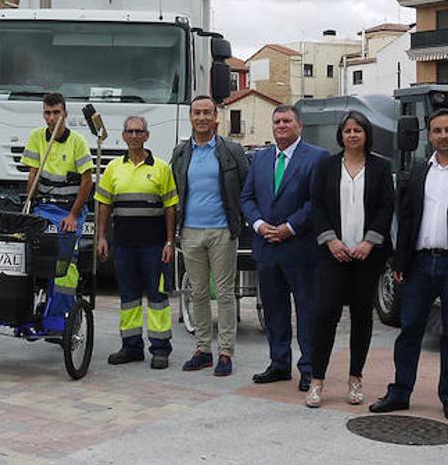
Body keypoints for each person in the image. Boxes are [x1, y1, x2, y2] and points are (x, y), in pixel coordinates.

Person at [370, 108, 448, 421]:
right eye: (437, 130)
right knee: (409, 330)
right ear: (430, 135)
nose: (443, 136)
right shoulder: (419, 172)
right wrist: (400, 261)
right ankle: (400, 392)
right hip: (421, 265)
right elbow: (408, 219)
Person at [305, 110, 394, 408]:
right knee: (325, 313)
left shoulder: (381, 167)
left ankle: (355, 378)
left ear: (366, 133)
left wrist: (370, 241)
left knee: (361, 316)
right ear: (340, 135)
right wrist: (331, 240)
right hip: (334, 253)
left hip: (367, 255)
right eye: (347, 131)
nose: (352, 135)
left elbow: (386, 207)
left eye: (358, 130)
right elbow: (317, 206)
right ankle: (317, 380)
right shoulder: (327, 167)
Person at [240, 104, 327, 392]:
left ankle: (309, 367)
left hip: (300, 249)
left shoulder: (316, 158)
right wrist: (259, 224)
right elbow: (247, 198)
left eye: (287, 121)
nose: (281, 126)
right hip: (267, 248)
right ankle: (279, 364)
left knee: (307, 311)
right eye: (276, 121)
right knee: (274, 311)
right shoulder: (261, 158)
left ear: (299, 125)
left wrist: (290, 227)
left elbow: (316, 202)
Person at [170, 95, 250, 377]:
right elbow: (174, 191)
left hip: (223, 231)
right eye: (197, 113)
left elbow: (245, 187)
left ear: (216, 117)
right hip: (190, 231)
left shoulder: (231, 150)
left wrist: (242, 222)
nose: (202, 117)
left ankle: (226, 352)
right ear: (191, 117)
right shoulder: (181, 153)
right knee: (199, 293)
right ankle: (203, 349)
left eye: (207, 112)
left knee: (225, 294)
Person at [95, 116, 179, 368]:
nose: (134, 136)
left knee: (157, 298)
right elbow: (103, 204)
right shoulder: (113, 168)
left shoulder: (162, 167)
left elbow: (171, 208)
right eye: (129, 131)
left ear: (147, 135)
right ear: (123, 136)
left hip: (154, 246)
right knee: (129, 298)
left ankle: (160, 349)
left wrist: (169, 242)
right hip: (124, 245)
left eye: (138, 131)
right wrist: (101, 237)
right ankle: (131, 347)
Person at [21, 93, 94, 233]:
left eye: (56, 112)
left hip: (70, 208)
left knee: (65, 250)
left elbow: (87, 181)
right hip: (44, 206)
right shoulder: (36, 137)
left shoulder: (78, 141)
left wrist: (72, 216)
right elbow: (33, 175)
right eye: (47, 113)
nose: (52, 118)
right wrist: (29, 208)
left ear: (65, 114)